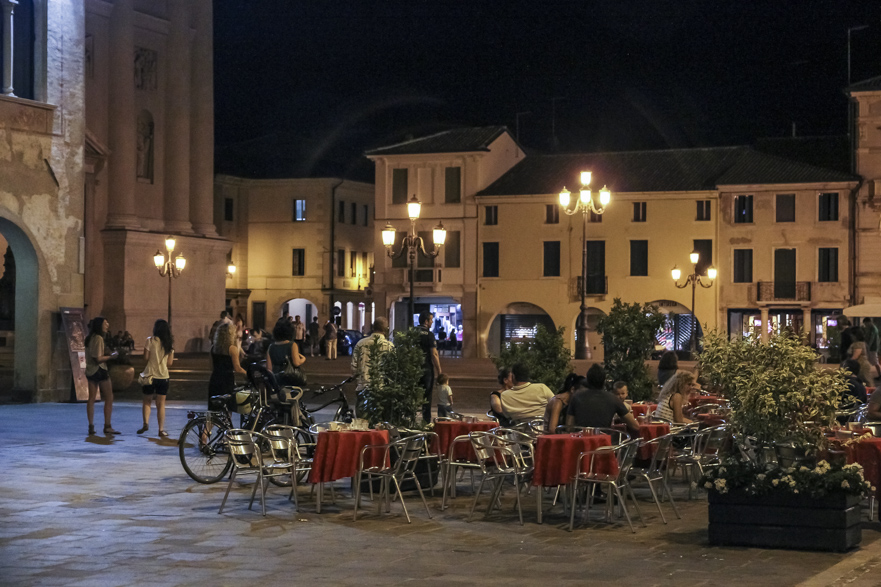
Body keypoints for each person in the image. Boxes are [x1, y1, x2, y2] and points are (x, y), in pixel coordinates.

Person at [567, 364, 640, 436]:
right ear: (604, 381)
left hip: (580, 444)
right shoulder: (613, 399)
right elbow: (635, 426)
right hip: (603, 444)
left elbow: (569, 428)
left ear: (587, 380)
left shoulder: (576, 397)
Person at [138, 319, 175, 437]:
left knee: (147, 401)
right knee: (161, 404)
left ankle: (146, 423)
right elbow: (170, 363)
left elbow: (145, 358)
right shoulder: (169, 344)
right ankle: (161, 430)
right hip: (163, 376)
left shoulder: (150, 341)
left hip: (150, 375)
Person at [85, 316, 119, 436]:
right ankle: (107, 426)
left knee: (91, 399)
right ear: (100, 325)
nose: (107, 325)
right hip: (100, 370)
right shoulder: (99, 338)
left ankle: (91, 425)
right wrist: (111, 357)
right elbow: (98, 359)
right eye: (105, 323)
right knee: (109, 397)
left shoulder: (90, 338)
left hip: (90, 370)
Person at [208, 321, 247, 408]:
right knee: (227, 407)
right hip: (227, 380)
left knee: (214, 408)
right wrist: (247, 374)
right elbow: (237, 368)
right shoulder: (232, 349)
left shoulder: (213, 348)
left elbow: (211, 367)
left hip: (215, 379)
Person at [351, 317, 394, 392]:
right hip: (381, 387)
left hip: (363, 387)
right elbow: (392, 368)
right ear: (386, 329)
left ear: (373, 327)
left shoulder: (361, 343)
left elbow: (354, 366)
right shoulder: (389, 346)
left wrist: (359, 381)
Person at [416, 311, 442, 422]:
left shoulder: (413, 332)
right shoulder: (429, 335)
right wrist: (439, 370)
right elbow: (434, 354)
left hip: (413, 368)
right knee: (427, 395)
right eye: (431, 320)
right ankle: (426, 420)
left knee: (412, 394)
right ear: (426, 321)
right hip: (426, 368)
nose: (432, 322)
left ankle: (410, 418)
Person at [266, 318, 306, 387]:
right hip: (289, 378)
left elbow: (269, 368)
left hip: (276, 378)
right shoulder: (292, 345)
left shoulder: (271, 346)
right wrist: (303, 359)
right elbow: (296, 363)